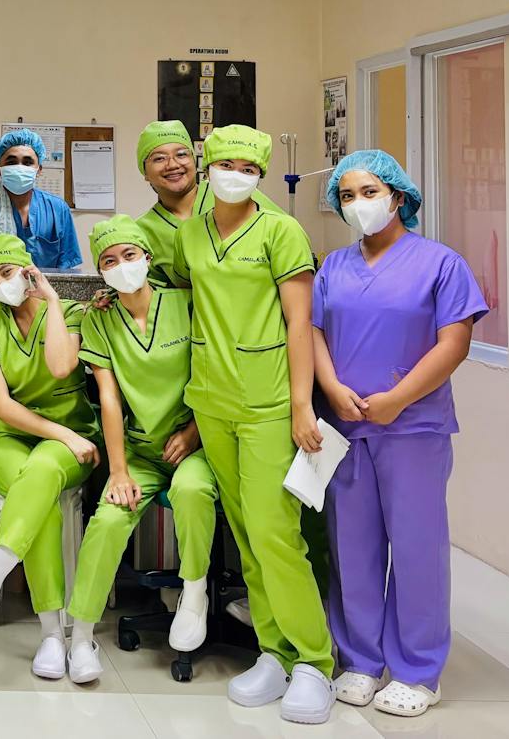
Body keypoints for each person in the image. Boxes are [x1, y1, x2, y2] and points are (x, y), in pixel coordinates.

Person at [314, 150, 486, 719]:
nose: (357, 204)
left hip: (413, 427)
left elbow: (453, 342)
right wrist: (333, 388)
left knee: (416, 548)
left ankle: (417, 669)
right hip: (347, 425)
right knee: (352, 548)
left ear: (397, 195)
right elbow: (312, 333)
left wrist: (398, 399)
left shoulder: (440, 263)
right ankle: (360, 660)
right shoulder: (334, 268)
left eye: (368, 192)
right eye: (346, 195)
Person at [181, 124, 334, 724]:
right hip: (212, 398)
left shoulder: (281, 230)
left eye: (248, 166)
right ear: (208, 165)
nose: (235, 173)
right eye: (226, 162)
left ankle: (314, 662)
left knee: (276, 533)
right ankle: (273, 650)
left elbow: (301, 322)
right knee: (244, 532)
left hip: (269, 401)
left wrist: (302, 404)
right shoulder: (192, 234)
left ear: (261, 174)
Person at [64, 216, 217, 686]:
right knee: (108, 519)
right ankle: (81, 635)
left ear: (148, 258)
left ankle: (194, 594)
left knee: (192, 493)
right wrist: (118, 471)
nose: (121, 266)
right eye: (108, 260)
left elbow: (214, 373)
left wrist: (193, 433)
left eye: (129, 255)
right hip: (140, 449)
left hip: (197, 442)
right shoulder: (100, 320)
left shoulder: (187, 304)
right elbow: (108, 397)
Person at [0, 235, 98, 682]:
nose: (1, 285)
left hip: (74, 439)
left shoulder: (74, 314)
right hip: (10, 436)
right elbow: (2, 407)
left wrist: (53, 301)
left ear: (28, 270)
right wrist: (60, 433)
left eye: (8, 273)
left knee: (40, 475)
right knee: (39, 491)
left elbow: (60, 367)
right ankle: (53, 635)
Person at [133, 119, 283, 289]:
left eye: (182, 154)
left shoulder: (234, 192)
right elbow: (148, 291)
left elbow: (288, 246)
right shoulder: (142, 231)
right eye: (159, 158)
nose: (173, 164)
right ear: (144, 171)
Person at [0, 128, 81, 270]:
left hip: (43, 289)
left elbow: (66, 268)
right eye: (11, 162)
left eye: (27, 162)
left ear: (39, 169)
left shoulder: (57, 209)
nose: (19, 167)